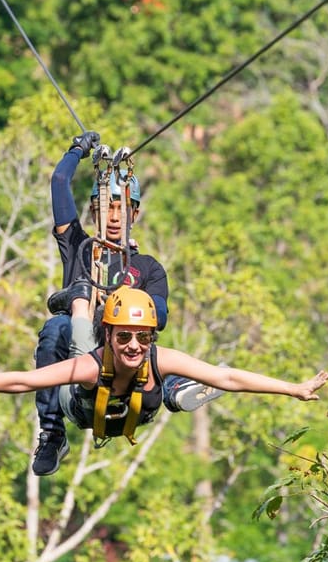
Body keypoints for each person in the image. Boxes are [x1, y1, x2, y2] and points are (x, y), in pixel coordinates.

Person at [0, 287, 328, 453]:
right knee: (72, 327)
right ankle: (79, 301)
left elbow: (229, 377)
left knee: (197, 372)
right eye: (124, 337)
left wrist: (293, 388)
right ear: (109, 335)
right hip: (84, 409)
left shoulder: (154, 356)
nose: (133, 346)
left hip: (139, 411)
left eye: (142, 338)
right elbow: (22, 381)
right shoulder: (90, 365)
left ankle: (174, 392)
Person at [33, 133, 217, 475]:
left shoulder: (147, 267)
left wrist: (111, 304)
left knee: (138, 333)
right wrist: (77, 151)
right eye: (106, 207)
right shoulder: (80, 249)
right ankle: (52, 434)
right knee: (56, 327)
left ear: (135, 213)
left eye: (121, 208)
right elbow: (59, 182)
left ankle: (173, 388)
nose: (114, 216)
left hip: (130, 371)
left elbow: (158, 317)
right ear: (93, 211)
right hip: (86, 367)